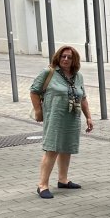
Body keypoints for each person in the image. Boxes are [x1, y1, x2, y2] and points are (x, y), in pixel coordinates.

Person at [30, 46, 94, 199]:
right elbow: (34, 90)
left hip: (72, 117)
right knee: (52, 148)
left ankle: (63, 180)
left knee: (66, 148)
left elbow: (82, 97)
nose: (66, 60)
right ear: (58, 58)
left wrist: (89, 117)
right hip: (55, 116)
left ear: (74, 60)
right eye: (63, 56)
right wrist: (38, 110)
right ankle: (42, 185)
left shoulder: (78, 76)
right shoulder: (49, 72)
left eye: (69, 57)